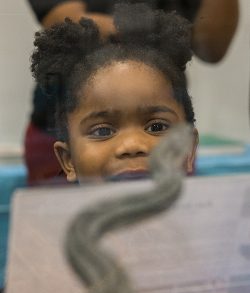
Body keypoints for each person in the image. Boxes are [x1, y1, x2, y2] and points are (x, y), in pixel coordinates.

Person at [26, 0, 238, 184]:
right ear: (68, 160)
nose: (132, 145)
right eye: (102, 131)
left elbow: (213, 45)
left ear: (189, 150)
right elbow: (64, 19)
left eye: (156, 127)